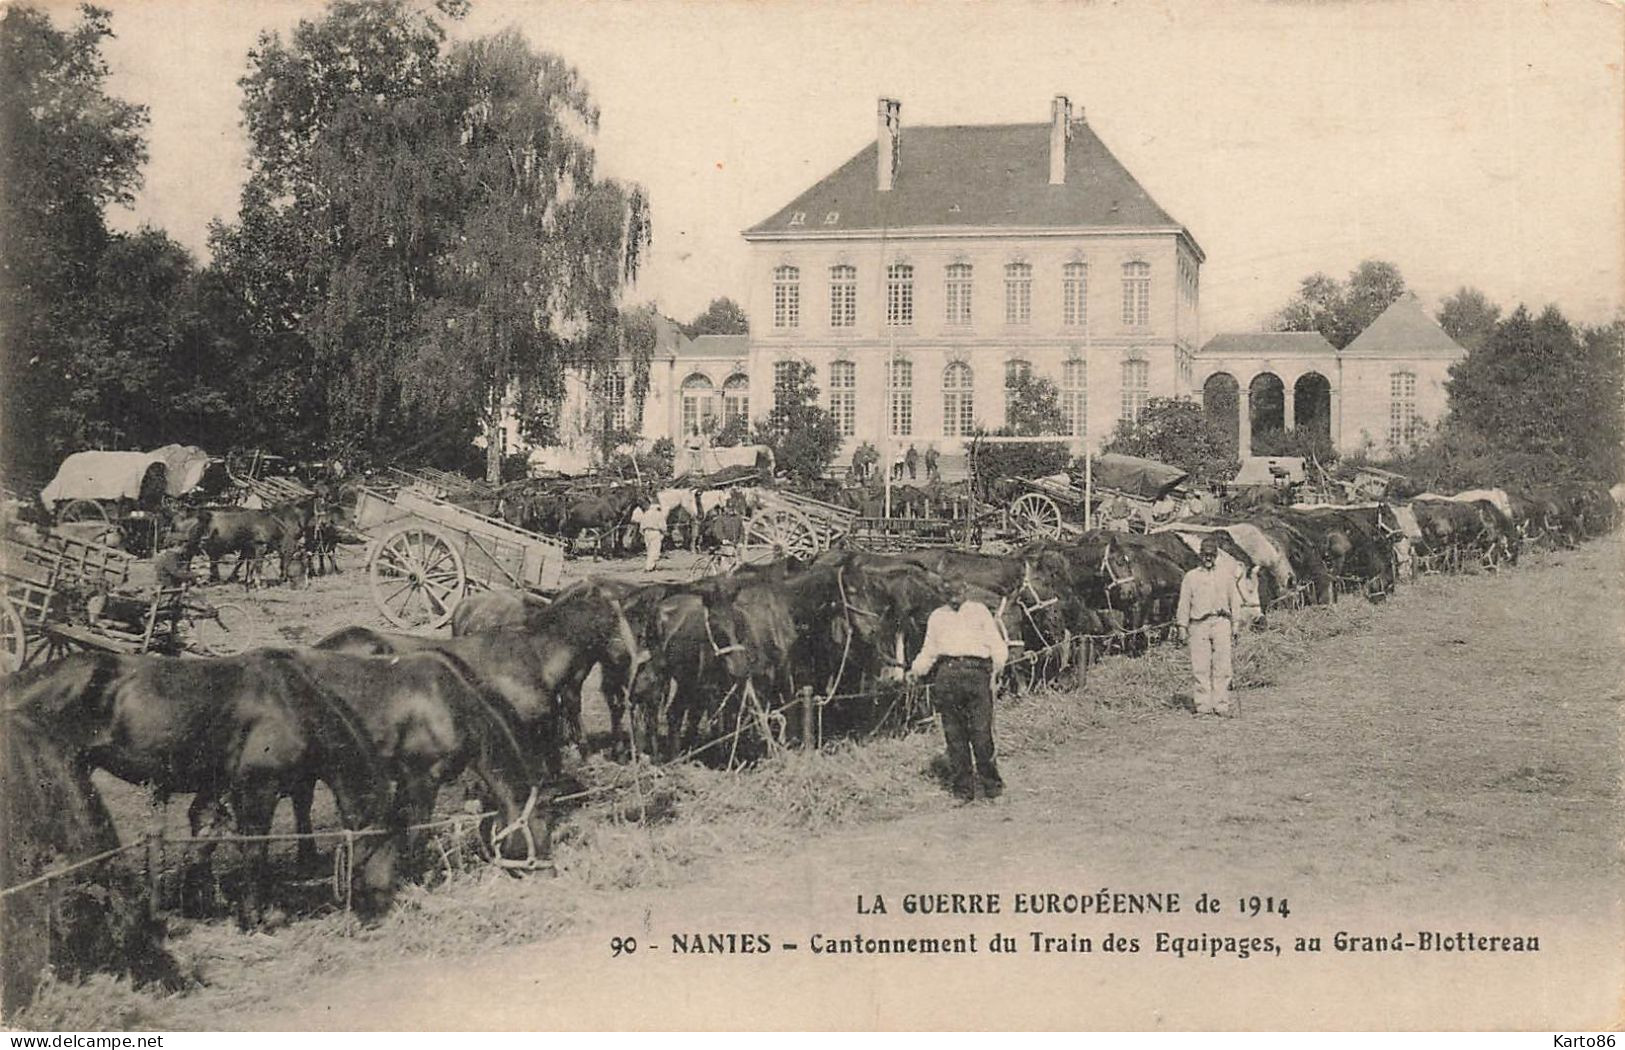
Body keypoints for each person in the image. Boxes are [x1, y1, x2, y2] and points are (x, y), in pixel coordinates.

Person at [908, 578, 1010, 801]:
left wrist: (996, 672)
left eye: (957, 592)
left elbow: (997, 645)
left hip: (976, 674)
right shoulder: (937, 616)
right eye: (948, 593)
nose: (954, 597)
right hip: (947, 676)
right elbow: (929, 650)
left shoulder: (979, 611)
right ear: (943, 594)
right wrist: (916, 670)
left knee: (981, 734)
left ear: (965, 591)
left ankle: (992, 788)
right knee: (955, 736)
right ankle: (963, 791)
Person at [1175, 536, 1245, 717]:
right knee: (1200, 666)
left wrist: (1236, 625)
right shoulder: (1190, 577)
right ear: (1200, 555)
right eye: (1205, 555)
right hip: (1198, 624)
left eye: (1212, 555)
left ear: (1216, 556)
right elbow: (1184, 603)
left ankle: (1221, 704)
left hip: (1221, 622)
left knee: (1223, 666)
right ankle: (1203, 705)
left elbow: (1235, 601)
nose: (1208, 558)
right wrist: (1182, 627)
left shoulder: (1226, 575)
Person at [633, 498, 669, 572]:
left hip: (647, 532)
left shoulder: (646, 513)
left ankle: (652, 566)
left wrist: (643, 533)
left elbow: (642, 526)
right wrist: (664, 532)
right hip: (655, 532)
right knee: (655, 550)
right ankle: (648, 567)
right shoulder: (659, 514)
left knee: (649, 550)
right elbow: (662, 525)